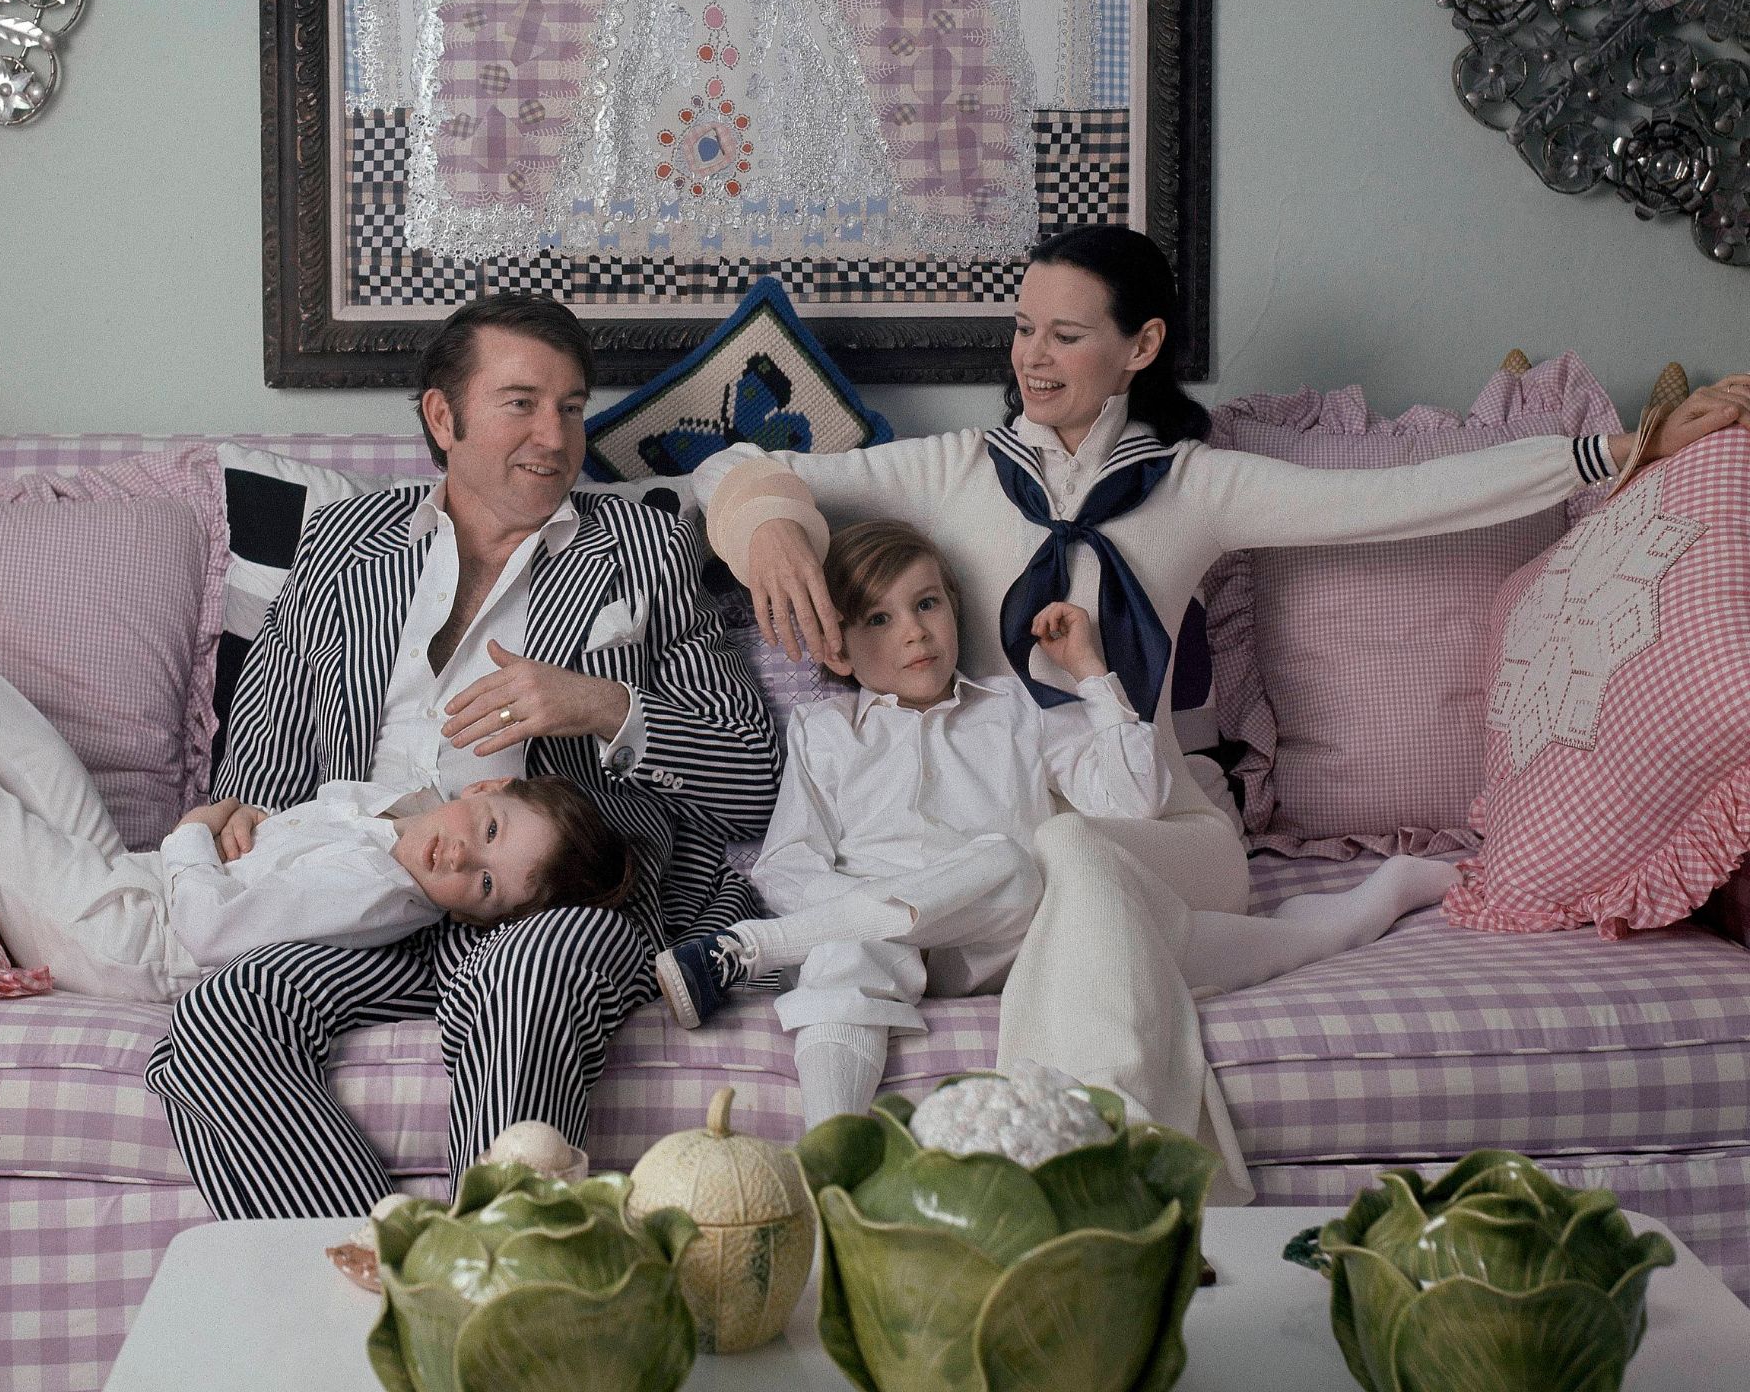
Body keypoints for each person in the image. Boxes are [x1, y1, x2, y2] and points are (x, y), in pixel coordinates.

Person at [694, 224, 1750, 1191]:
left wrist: (1615, 455)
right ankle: (1136, 1176)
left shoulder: (1192, 486)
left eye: (1064, 334)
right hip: (1008, 830)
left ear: (1140, 344)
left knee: (1070, 855)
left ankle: (1073, 1171)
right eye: (1021, 328)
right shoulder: (950, 470)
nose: (1030, 357)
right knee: (1050, 852)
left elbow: (1395, 498)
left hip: (1163, 826)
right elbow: (737, 468)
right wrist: (776, 529)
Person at [146, 295, 780, 1216]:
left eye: (571, 406)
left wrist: (598, 705)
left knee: (527, 973)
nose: (555, 436)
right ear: (444, 418)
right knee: (217, 1021)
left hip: (545, 899)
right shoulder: (340, 544)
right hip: (370, 897)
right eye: (521, 402)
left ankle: (503, 1269)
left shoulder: (642, 546)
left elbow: (752, 781)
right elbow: (267, 756)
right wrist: (242, 817)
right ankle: (393, 1277)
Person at [654, 519, 1456, 1126]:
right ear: (834, 651)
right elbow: (789, 863)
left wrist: (1092, 674)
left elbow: (1131, 800)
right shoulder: (826, 734)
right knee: (840, 963)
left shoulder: (1012, 709)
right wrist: (875, 912)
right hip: (887, 946)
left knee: (1018, 859)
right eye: (878, 619)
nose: (913, 631)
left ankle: (1379, 895)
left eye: (927, 603)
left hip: (1019, 932)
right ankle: (834, 1156)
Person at [0, 562, 632, 1004]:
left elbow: (212, 924)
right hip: (147, 884)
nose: (460, 862)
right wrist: (247, 815)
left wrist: (196, 826)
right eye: (484, 837)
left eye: (484, 889)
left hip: (132, 941)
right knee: (47, 767)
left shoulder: (373, 890)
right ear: (480, 792)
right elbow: (323, 822)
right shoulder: (399, 824)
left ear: (475, 917)